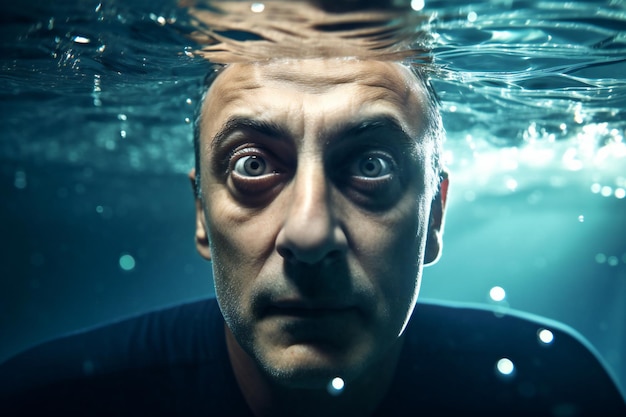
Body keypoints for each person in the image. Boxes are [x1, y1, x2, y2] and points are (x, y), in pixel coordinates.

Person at [1, 57, 624, 416]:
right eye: (252, 164)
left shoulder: (560, 392)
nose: (308, 233)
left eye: (372, 165)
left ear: (433, 218)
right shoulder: (46, 404)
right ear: (200, 215)